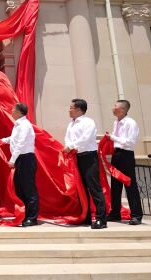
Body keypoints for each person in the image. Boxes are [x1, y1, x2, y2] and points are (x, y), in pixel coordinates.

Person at [63, 98, 106, 229]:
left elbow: (85, 138)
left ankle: (101, 219)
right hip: (77, 157)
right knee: (81, 189)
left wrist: (71, 146)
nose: (69, 110)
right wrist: (68, 146)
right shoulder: (71, 124)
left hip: (89, 157)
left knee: (94, 188)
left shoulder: (88, 122)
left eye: (71, 108)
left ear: (78, 109)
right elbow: (68, 138)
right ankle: (86, 217)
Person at [0, 102, 38, 226]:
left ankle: (32, 217)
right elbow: (14, 139)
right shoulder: (18, 125)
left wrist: (12, 160)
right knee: (20, 189)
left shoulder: (25, 125)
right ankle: (24, 214)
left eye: (13, 109)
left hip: (26, 159)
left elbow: (20, 144)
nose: (11, 111)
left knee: (29, 189)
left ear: (19, 112)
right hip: (20, 159)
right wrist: (2, 141)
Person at [106, 100, 143, 225]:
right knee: (115, 185)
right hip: (116, 154)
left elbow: (130, 142)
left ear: (123, 109)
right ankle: (115, 213)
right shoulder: (116, 122)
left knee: (130, 184)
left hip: (126, 155)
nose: (113, 108)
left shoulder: (131, 123)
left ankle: (136, 215)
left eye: (115, 106)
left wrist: (113, 138)